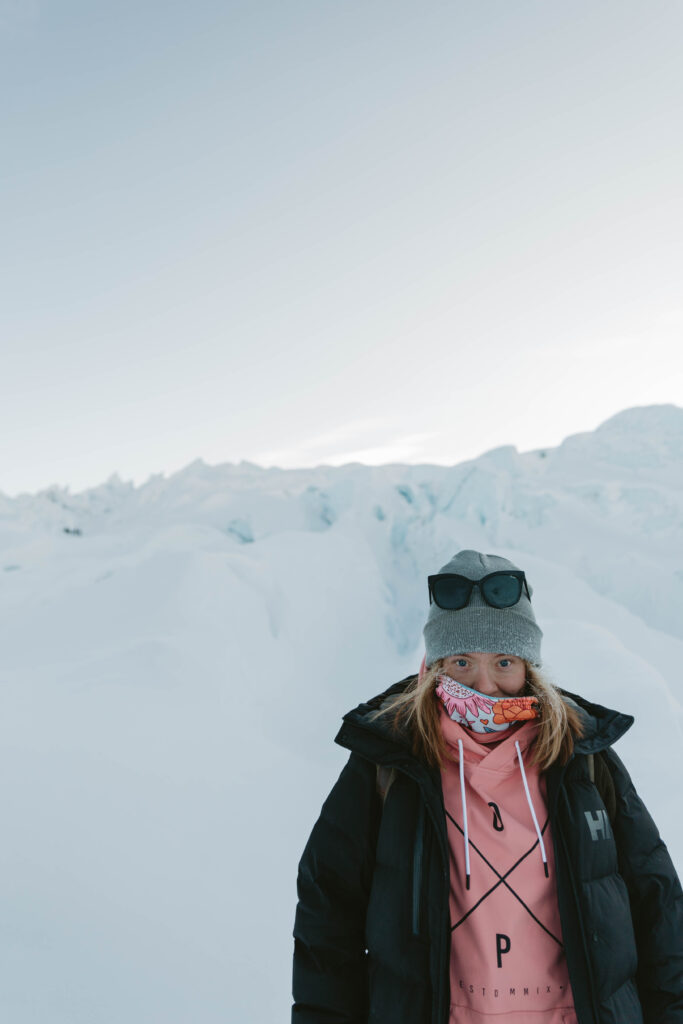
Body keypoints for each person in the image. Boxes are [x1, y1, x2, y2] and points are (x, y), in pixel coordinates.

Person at [291, 549, 683, 1024]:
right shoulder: (391, 760)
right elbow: (328, 911)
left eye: (503, 662)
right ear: (434, 668)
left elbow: (658, 901)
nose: (485, 686)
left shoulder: (582, 756)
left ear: (529, 668)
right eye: (461, 661)